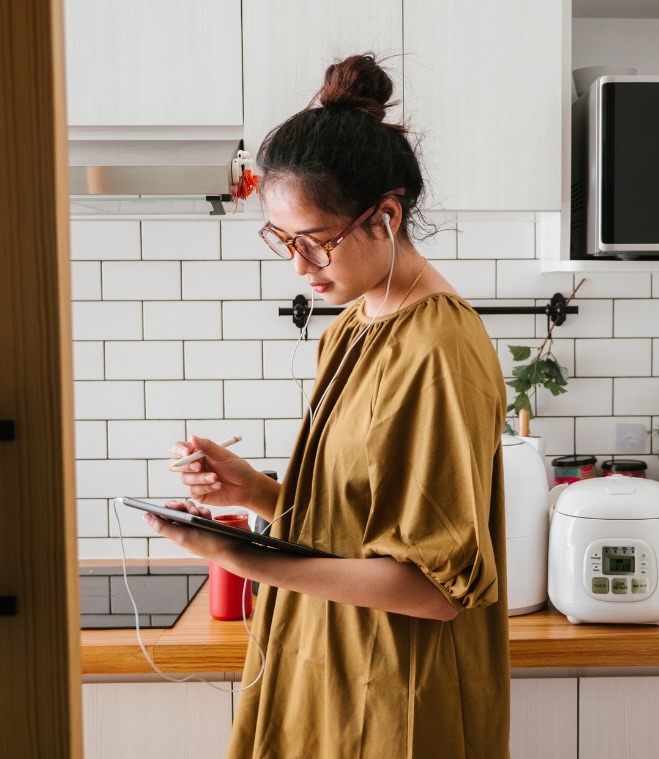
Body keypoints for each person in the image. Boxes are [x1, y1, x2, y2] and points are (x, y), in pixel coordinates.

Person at [146, 53, 510, 758]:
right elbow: (354, 525)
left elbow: (435, 586)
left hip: (395, 699)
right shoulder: (353, 323)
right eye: (284, 242)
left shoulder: (438, 349)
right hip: (323, 671)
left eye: (315, 243)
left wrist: (243, 559)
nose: (298, 266)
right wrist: (253, 493)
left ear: (385, 217)